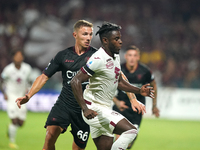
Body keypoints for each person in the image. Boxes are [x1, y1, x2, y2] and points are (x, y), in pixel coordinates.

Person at [70, 22, 154, 150]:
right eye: (116, 39)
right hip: (94, 109)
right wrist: (85, 108)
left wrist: (139, 91)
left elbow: (119, 81)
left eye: (120, 38)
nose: (120, 42)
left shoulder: (115, 56)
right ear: (105, 40)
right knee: (131, 131)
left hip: (103, 108)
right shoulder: (98, 59)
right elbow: (75, 81)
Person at [15, 20, 97, 150]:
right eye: (85, 34)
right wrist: (29, 95)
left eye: (91, 34)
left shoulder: (96, 56)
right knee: (49, 137)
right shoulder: (63, 55)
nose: (88, 38)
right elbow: (44, 77)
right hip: (64, 104)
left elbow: (116, 75)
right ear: (75, 35)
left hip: (84, 109)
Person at [113, 45, 160, 149]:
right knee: (119, 139)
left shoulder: (145, 72)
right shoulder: (119, 69)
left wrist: (154, 105)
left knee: (129, 143)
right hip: (121, 107)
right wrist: (116, 101)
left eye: (134, 55)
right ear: (125, 56)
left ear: (138, 57)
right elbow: (107, 87)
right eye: (130, 55)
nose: (132, 58)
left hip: (137, 111)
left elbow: (154, 86)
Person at [0, 50, 32, 149]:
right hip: (11, 96)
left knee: (20, 123)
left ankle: (10, 129)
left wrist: (29, 89)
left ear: (22, 57)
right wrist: (4, 93)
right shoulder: (8, 69)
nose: (18, 58)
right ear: (13, 57)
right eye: (16, 56)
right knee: (14, 120)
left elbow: (30, 80)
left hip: (22, 96)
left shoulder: (27, 68)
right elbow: (2, 80)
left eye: (20, 56)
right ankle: (12, 142)